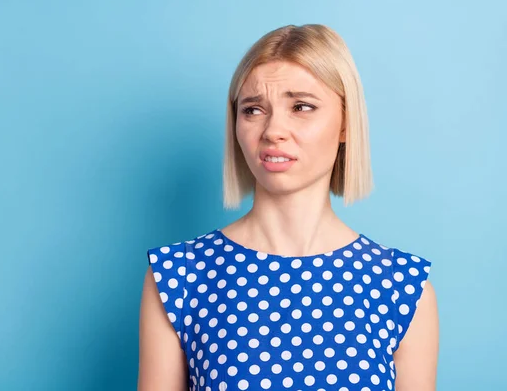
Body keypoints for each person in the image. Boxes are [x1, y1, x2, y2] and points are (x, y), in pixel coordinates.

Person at [137, 23, 439, 391]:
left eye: (301, 106)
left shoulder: (404, 287)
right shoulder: (177, 277)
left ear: (346, 122)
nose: (273, 130)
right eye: (252, 110)